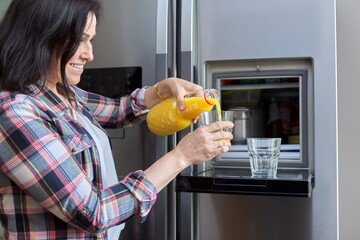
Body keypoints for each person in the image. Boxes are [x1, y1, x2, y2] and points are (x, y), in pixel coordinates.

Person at [0, 0, 233, 239]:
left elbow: (117, 111)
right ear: (41, 36)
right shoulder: (16, 114)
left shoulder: (60, 91)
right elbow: (94, 212)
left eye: (90, 40)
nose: (89, 54)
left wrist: (160, 91)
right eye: (81, 39)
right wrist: (181, 156)